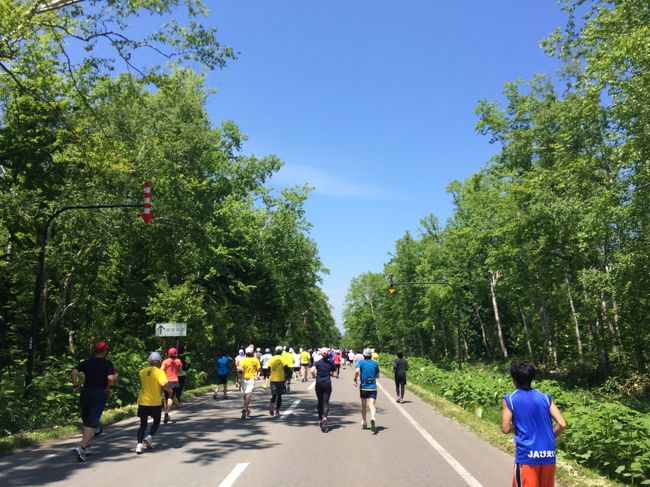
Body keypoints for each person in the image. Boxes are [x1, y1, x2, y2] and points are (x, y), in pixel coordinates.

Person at [502, 361, 567, 487]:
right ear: (532, 377)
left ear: (514, 379)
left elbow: (505, 429)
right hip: (548, 453)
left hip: (527, 454)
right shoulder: (545, 397)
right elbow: (562, 423)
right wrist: (550, 436)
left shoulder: (510, 398)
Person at [70, 341, 117, 462]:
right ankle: (81, 448)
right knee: (92, 422)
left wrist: (76, 386)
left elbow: (74, 372)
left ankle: (88, 446)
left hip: (85, 392)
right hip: (98, 393)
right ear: (105, 351)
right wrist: (112, 380)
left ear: (94, 350)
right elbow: (111, 379)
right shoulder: (107, 363)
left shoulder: (86, 362)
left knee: (87, 419)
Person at [135, 352, 173, 454]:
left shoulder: (142, 372)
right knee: (156, 422)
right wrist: (169, 390)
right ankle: (149, 436)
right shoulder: (160, 372)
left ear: (149, 361)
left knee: (143, 424)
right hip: (154, 402)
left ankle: (139, 445)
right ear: (159, 361)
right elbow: (163, 383)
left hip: (143, 401)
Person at [354, 348, 380, 433]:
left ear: (364, 355)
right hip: (373, 386)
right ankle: (372, 417)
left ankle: (364, 422)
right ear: (371, 355)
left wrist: (355, 379)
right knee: (371, 405)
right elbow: (377, 375)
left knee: (363, 406)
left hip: (364, 386)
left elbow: (357, 371)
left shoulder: (360, 362)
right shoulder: (375, 363)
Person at [311, 347, 335, 432]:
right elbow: (333, 373)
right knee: (325, 402)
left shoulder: (317, 362)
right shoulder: (330, 363)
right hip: (327, 383)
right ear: (328, 354)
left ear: (321, 354)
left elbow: (312, 370)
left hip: (319, 383)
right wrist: (330, 374)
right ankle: (325, 418)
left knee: (319, 401)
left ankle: (320, 420)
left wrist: (314, 376)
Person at [161, 347, 182, 424]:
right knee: (171, 397)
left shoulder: (165, 361)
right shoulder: (178, 361)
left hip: (166, 381)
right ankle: (166, 412)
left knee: (166, 398)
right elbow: (180, 370)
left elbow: (161, 370)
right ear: (175, 354)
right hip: (175, 381)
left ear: (168, 354)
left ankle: (167, 413)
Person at [238, 346, 261, 418]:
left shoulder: (243, 360)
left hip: (243, 379)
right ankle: (245, 408)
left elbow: (239, 369)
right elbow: (259, 369)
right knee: (248, 394)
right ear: (252, 353)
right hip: (251, 379)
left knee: (245, 394)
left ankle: (246, 410)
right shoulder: (255, 360)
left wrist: (238, 378)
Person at [267, 346, 286, 416]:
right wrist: (287, 376)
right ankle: (277, 411)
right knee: (279, 396)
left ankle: (272, 404)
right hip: (281, 379)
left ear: (275, 351)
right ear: (281, 351)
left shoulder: (272, 358)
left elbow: (268, 368)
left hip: (273, 379)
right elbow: (286, 368)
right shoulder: (282, 358)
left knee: (274, 394)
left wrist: (268, 375)